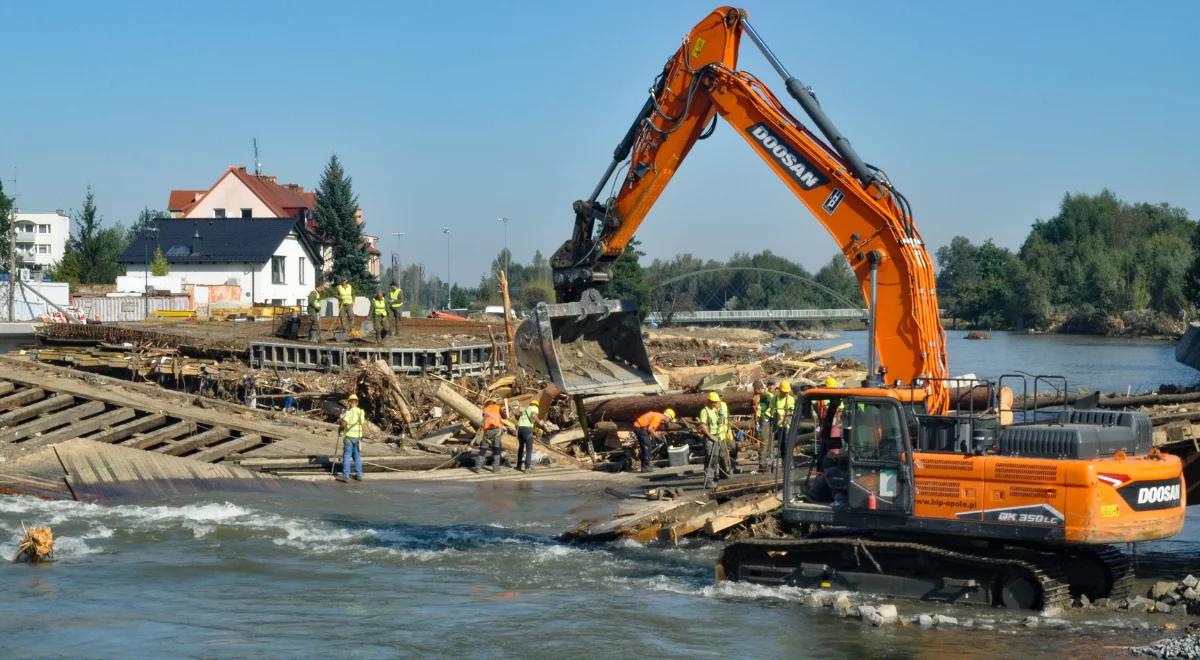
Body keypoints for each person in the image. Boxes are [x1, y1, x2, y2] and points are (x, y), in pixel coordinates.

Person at [699, 391, 732, 487]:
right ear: (708, 401)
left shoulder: (714, 410)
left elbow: (717, 423)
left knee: (715, 459)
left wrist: (721, 419)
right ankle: (708, 480)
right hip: (710, 438)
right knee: (710, 459)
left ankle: (714, 477)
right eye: (713, 401)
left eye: (716, 402)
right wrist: (709, 435)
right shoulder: (704, 411)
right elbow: (702, 425)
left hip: (717, 437)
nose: (715, 403)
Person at [632, 408, 675, 473]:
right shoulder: (658, 417)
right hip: (640, 428)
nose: (668, 422)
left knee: (645, 447)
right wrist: (657, 437)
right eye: (670, 420)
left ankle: (645, 466)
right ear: (668, 417)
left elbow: (649, 428)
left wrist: (654, 436)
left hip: (640, 427)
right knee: (647, 446)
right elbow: (650, 429)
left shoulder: (657, 415)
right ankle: (646, 466)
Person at [516, 401, 553, 472]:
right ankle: (527, 468)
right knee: (529, 449)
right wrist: (539, 422)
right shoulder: (534, 408)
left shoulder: (526, 409)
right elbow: (533, 415)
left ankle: (518, 466)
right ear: (536, 405)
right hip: (527, 429)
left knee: (521, 447)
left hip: (520, 428)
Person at [339, 393, 366, 481]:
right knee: (357, 456)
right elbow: (363, 425)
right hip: (358, 438)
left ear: (349, 402)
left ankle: (346, 476)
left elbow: (344, 424)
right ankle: (359, 475)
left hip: (349, 437)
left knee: (347, 456)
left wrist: (340, 428)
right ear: (357, 403)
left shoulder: (349, 412)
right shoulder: (361, 412)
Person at [476, 398, 506, 472]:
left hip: (487, 431)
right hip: (496, 431)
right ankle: (495, 468)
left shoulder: (485, 409)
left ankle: (478, 468)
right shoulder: (497, 407)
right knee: (496, 449)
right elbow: (504, 416)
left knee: (483, 449)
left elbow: (485, 417)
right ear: (494, 402)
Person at [752, 380, 776, 470]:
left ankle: (765, 463)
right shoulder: (760, 396)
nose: (754, 391)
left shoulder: (766, 395)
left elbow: (772, 407)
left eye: (755, 389)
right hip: (763, 420)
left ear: (758, 388)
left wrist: (767, 416)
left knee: (766, 442)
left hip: (766, 420)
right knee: (765, 442)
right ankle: (764, 462)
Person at [774, 380, 797, 469]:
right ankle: (784, 463)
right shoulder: (775, 398)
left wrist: (783, 420)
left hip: (788, 425)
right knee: (782, 445)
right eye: (784, 392)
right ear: (780, 390)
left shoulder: (790, 399)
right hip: (779, 427)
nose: (786, 393)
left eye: (787, 392)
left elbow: (790, 413)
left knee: (788, 444)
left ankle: (790, 463)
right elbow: (772, 408)